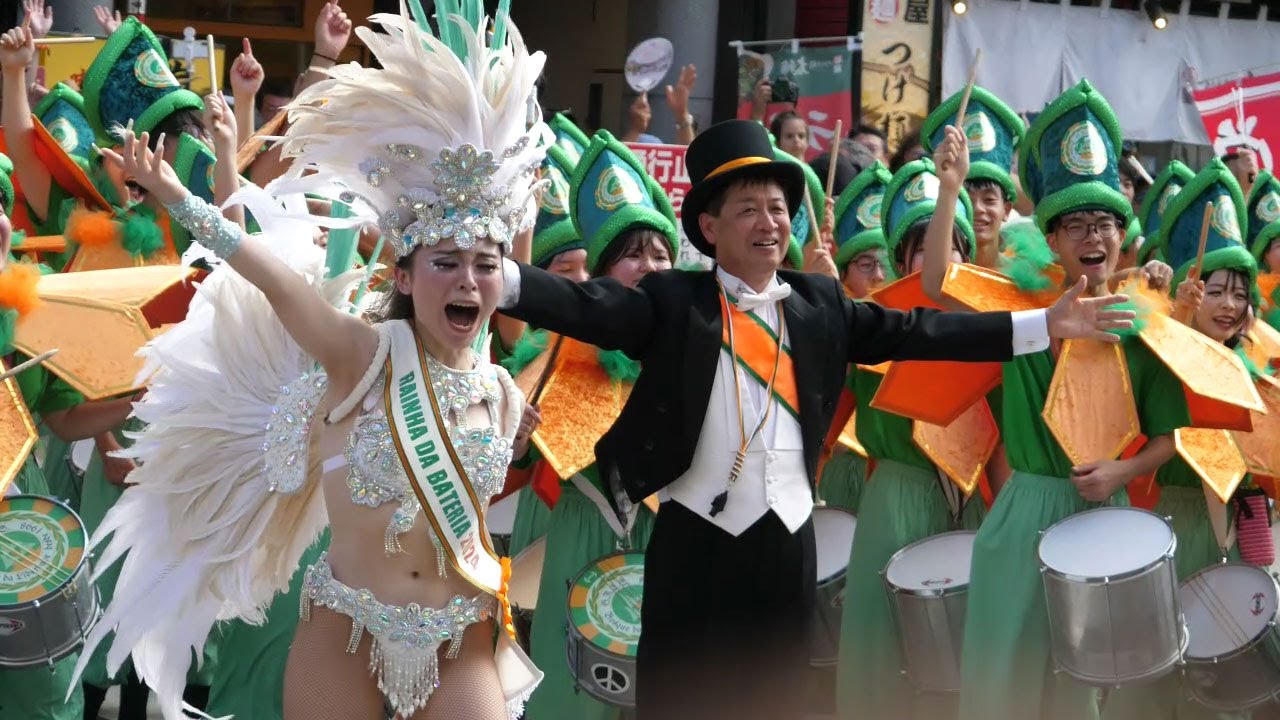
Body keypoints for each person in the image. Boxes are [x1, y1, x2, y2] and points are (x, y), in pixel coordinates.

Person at [495, 116, 1140, 720]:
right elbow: (586, 306)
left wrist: (1044, 324)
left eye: (778, 207)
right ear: (710, 227)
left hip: (787, 541)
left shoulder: (818, 303)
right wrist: (490, 273)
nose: (768, 222)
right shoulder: (675, 301)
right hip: (694, 541)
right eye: (748, 208)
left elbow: (919, 331)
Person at [74, 6, 543, 719]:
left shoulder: (502, 392)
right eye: (446, 263)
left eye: (485, 266)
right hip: (345, 631)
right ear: (405, 276)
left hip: (459, 634)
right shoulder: (362, 354)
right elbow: (273, 279)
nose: (468, 281)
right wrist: (175, 195)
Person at [924, 80, 1192, 720]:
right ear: (1051, 238)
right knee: (1003, 679)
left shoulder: (1141, 323)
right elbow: (936, 284)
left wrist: (1124, 471)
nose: (1091, 235)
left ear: (1122, 237)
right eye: (1075, 224)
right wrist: (950, 190)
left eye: (1104, 223)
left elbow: (1172, 434)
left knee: (1084, 692)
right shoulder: (1020, 305)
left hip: (1104, 513)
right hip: (1025, 509)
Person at [516, 130, 675, 720]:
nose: (649, 266)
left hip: (667, 541)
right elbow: (512, 458)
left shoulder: (694, 349)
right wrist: (514, 438)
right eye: (633, 254)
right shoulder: (558, 349)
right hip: (583, 532)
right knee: (571, 698)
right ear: (604, 273)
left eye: (660, 254)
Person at [836, 158, 999, 720]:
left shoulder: (989, 322)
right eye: (925, 247)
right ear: (902, 259)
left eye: (952, 245)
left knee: (969, 644)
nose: (941, 259)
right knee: (886, 647)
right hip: (899, 495)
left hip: (973, 496)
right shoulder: (872, 324)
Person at [1100, 157, 1261, 720]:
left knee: (1224, 671)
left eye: (1239, 294)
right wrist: (1163, 308)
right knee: (1157, 668)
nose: (1229, 305)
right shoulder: (1156, 354)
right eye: (1216, 291)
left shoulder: (1255, 368)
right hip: (1164, 522)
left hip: (1228, 531)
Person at [0, 152, 136, 720]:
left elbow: (64, 419)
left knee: (43, 689)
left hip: (21, 515)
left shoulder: (29, 304)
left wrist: (140, 400)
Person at [920, 85, 1024, 271]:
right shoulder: (936, 279)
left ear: (1007, 209)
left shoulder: (1032, 278)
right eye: (966, 199)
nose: (978, 209)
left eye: (989, 199)